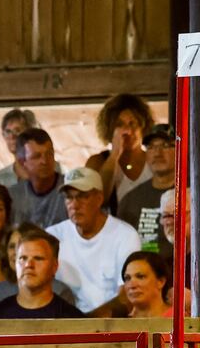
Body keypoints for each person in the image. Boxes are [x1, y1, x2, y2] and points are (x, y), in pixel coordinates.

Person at [45, 167, 141, 314]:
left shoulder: (125, 235)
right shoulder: (52, 236)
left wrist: (87, 324)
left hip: (109, 325)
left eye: (83, 196)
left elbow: (127, 295)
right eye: (69, 197)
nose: (75, 205)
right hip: (61, 323)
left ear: (99, 199)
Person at [85, 93, 154, 205]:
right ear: (109, 129)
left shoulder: (154, 160)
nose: (127, 131)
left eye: (132, 123)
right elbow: (96, 202)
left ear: (143, 126)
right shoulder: (97, 162)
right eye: (119, 124)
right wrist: (115, 154)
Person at [116, 123, 177, 239]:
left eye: (165, 145)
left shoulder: (192, 195)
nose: (158, 153)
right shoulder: (131, 200)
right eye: (151, 147)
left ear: (180, 150)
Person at [8, 128, 66, 229]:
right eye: (36, 156)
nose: (44, 161)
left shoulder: (70, 191)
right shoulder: (12, 196)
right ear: (22, 162)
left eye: (49, 154)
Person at [0, 108, 39, 188]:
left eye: (17, 131)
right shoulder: (1, 178)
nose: (12, 136)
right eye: (8, 132)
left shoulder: (51, 170)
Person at [119, 250, 174, 318]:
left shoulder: (180, 321)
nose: (132, 285)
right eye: (127, 278)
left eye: (140, 277)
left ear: (161, 282)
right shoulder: (120, 325)